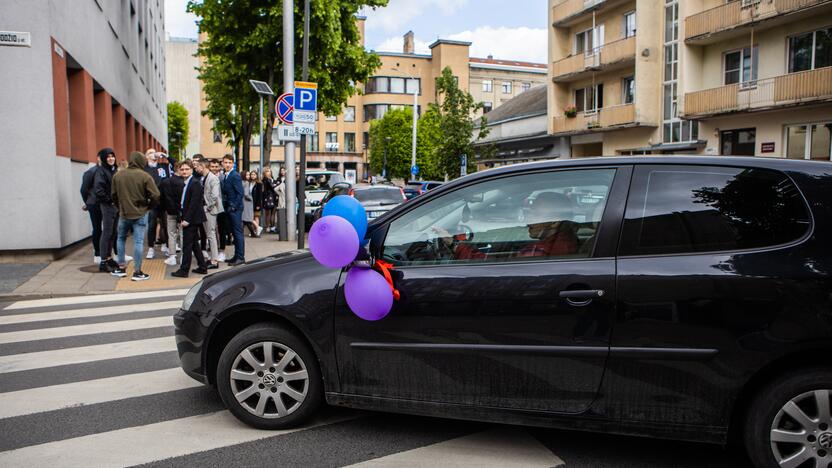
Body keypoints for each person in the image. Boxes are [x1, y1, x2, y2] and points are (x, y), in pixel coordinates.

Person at [110, 151, 160, 281]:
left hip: (124, 213)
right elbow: (156, 195)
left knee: (120, 239)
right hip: (140, 213)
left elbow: (114, 195)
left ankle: (121, 268)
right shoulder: (145, 176)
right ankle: (137, 272)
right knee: (138, 242)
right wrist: (148, 206)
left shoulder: (118, 175)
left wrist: (120, 206)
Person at [171, 160, 209, 277]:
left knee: (187, 245)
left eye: (187, 169)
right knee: (193, 244)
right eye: (182, 169)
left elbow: (194, 203)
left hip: (192, 218)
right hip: (189, 217)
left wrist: (187, 219)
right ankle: (202, 267)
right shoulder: (187, 182)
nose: (184, 171)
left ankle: (184, 270)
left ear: (191, 170)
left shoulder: (195, 183)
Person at [93, 147, 121, 273]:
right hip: (107, 205)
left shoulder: (113, 170)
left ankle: (109, 258)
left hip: (115, 206)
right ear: (104, 158)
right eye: (108, 157)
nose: (111, 159)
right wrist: (110, 200)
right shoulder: (101, 171)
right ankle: (103, 261)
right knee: (107, 233)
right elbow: (98, 190)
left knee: (113, 233)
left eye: (112, 156)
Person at [194, 156, 223, 269]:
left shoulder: (212, 178)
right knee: (209, 234)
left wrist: (207, 207)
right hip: (207, 209)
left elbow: (214, 195)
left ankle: (214, 261)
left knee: (211, 234)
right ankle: (213, 259)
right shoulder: (205, 178)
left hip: (210, 210)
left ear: (203, 166)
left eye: (197, 166)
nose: (196, 168)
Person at [143, 148, 170, 259]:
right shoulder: (144, 169)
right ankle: (151, 248)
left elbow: (174, 163)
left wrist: (165, 156)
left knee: (166, 224)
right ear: (146, 157)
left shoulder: (162, 167)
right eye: (150, 153)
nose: (153, 154)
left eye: (154, 152)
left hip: (164, 200)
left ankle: (167, 246)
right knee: (152, 225)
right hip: (152, 201)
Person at [221, 154, 245, 265]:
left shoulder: (235, 175)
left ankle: (240, 257)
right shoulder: (226, 175)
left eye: (230, 163)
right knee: (234, 234)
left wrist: (233, 207)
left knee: (238, 233)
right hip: (229, 207)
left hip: (235, 209)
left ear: (233, 164)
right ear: (222, 163)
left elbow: (240, 194)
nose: (227, 164)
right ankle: (236, 256)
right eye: (226, 162)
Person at [159, 162, 185, 266]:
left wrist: (163, 208)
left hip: (169, 211)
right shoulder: (184, 182)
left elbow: (161, 197)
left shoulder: (165, 181)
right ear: (179, 169)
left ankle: (172, 256)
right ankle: (183, 256)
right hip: (182, 212)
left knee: (171, 234)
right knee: (183, 234)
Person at [80, 158, 102, 264]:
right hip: (94, 205)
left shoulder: (110, 171)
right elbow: (83, 189)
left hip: (107, 205)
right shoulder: (91, 172)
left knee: (111, 230)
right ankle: (97, 253)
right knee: (97, 228)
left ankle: (114, 253)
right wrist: (88, 203)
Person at [242, 170, 262, 238]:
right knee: (250, 217)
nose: (252, 176)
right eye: (251, 174)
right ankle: (254, 230)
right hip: (250, 203)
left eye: (254, 174)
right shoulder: (249, 182)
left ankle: (257, 229)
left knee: (255, 216)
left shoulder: (259, 183)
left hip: (255, 202)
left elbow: (259, 195)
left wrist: (258, 204)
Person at [261, 167, 277, 234]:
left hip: (274, 197)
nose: (269, 172)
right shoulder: (265, 180)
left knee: (273, 212)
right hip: (268, 197)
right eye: (267, 171)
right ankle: (267, 226)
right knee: (268, 213)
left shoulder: (272, 179)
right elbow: (272, 187)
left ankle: (272, 226)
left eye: (270, 171)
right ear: (264, 173)